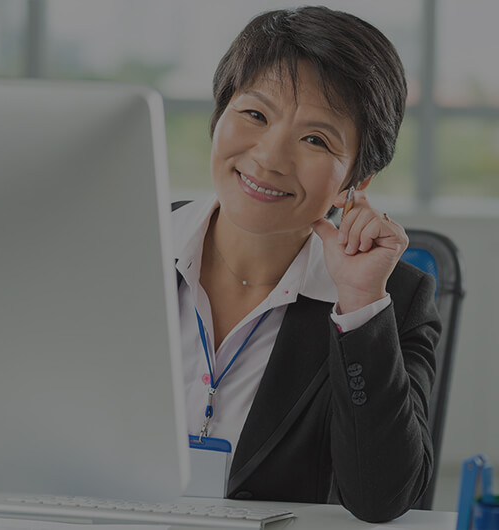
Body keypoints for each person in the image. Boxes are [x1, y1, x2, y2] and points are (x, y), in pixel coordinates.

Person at [167, 6, 439, 523]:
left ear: (355, 181)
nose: (270, 157)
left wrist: (359, 306)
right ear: (219, 115)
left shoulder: (394, 303)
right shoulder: (125, 246)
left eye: (316, 139)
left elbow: (382, 500)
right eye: (254, 114)